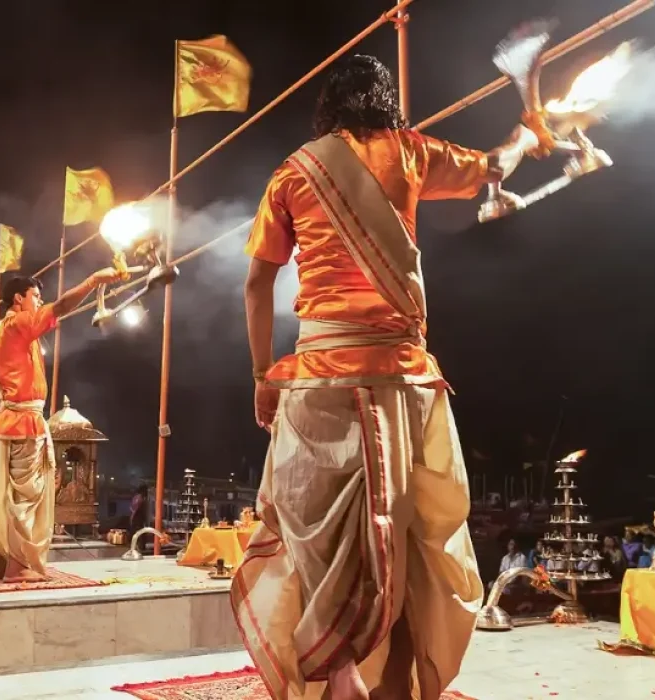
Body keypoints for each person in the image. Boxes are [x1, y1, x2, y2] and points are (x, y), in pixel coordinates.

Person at [230, 55, 539, 700]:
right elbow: (494, 166)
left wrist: (262, 373)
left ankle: (338, 675)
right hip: (402, 385)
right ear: (384, 101)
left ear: (329, 106)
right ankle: (395, 683)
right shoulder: (413, 152)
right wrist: (528, 133)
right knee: (404, 541)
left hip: (317, 385)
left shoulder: (295, 170)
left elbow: (258, 282)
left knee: (317, 543)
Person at [0, 266, 127, 581]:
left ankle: (6, 562)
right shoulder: (18, 323)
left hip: (13, 421)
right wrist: (92, 280)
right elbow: (60, 307)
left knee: (14, 495)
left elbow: (54, 312)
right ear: (18, 298)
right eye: (35, 296)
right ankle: (19, 568)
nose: (39, 301)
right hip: (22, 423)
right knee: (27, 497)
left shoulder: (7, 330)